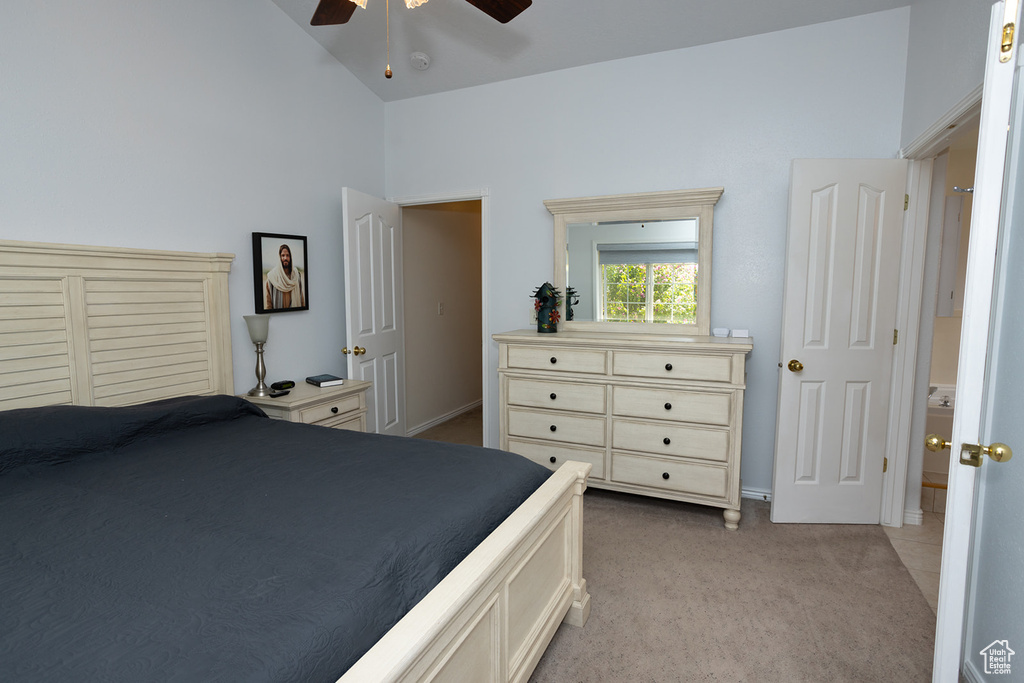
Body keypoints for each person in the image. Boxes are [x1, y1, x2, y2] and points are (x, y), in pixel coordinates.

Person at [264, 244, 305, 309]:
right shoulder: (272, 277)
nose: (285, 258)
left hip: (295, 315)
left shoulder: (296, 276)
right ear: (279, 257)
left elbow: (301, 299)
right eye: (283, 255)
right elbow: (268, 303)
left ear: (290, 257)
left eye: (287, 255)